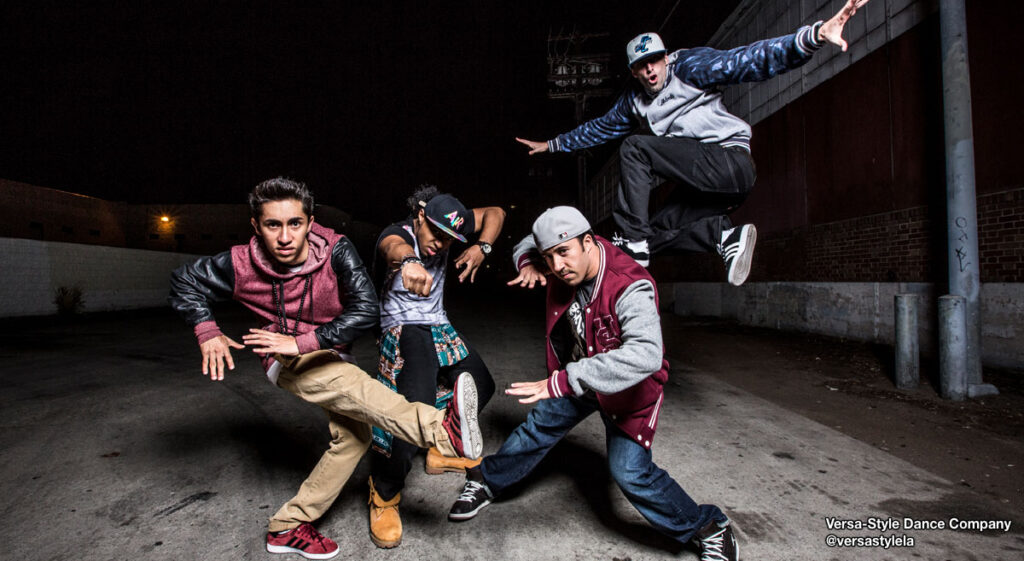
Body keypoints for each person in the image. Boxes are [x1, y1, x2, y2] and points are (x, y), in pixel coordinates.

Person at [168, 177, 482, 560]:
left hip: (325, 348)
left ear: (310, 222)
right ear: (256, 225)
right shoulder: (239, 263)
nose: (285, 237)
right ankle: (442, 431)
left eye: (295, 224)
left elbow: (366, 310)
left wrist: (304, 341)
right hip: (282, 356)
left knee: (354, 438)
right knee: (356, 388)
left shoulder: (336, 250)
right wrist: (207, 330)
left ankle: (288, 526)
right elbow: (185, 280)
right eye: (272, 225)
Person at [448, 206, 737, 561]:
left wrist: (564, 381)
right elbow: (526, 242)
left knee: (630, 471)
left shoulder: (630, 283)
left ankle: (708, 527)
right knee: (537, 427)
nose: (556, 267)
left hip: (627, 389)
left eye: (563, 253)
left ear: (588, 242)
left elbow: (646, 355)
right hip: (580, 373)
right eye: (548, 257)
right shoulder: (561, 258)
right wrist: (527, 262)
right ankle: (487, 481)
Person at [515, 0, 871, 285]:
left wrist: (812, 36)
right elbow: (601, 127)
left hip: (730, 164)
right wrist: (554, 145)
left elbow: (746, 61)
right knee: (653, 235)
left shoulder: (689, 67)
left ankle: (633, 240)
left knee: (635, 150)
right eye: (642, 67)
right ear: (633, 71)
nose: (651, 71)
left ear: (666, 57)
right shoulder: (633, 100)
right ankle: (722, 237)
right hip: (705, 190)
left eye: (655, 61)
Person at [367, 184, 504, 548]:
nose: (441, 245)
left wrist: (481, 246)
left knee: (482, 385)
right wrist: (409, 261)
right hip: (403, 328)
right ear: (421, 215)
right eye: (436, 234)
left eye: (450, 239)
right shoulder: (399, 234)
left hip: (438, 325)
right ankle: (384, 493)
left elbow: (496, 212)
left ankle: (437, 449)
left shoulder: (448, 226)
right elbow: (391, 248)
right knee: (415, 408)